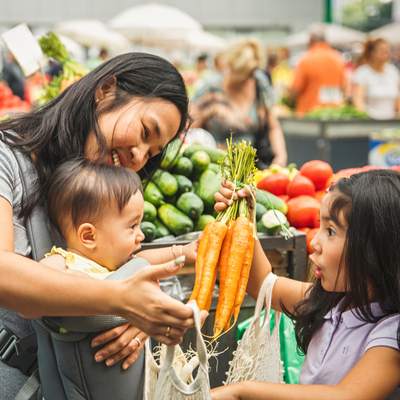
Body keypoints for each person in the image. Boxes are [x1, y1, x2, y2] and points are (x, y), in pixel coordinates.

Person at [0, 52, 202, 400]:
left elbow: (121, 262)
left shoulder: (101, 190)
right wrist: (120, 300)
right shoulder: (7, 158)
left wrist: (138, 319)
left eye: (152, 153)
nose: (139, 157)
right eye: (144, 132)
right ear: (106, 90)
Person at [212, 169, 400, 399]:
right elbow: (263, 284)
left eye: (330, 231)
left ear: (375, 250)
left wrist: (242, 390)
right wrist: (244, 218)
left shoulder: (392, 332)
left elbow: (346, 396)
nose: (314, 241)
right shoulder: (330, 302)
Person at [26, 159, 197, 399]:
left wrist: (181, 252)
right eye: (132, 225)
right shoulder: (63, 262)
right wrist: (75, 281)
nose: (141, 235)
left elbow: (146, 259)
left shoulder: (122, 264)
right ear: (89, 236)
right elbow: (39, 284)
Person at [190, 38, 287, 169]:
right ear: (230, 65)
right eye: (241, 72)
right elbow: (188, 130)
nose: (246, 78)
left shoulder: (259, 83)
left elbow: (273, 127)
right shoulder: (211, 89)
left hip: (252, 171)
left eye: (251, 72)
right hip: (215, 171)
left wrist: (280, 156)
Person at [288, 26, 346, 115]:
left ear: (311, 40)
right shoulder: (338, 59)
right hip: (334, 113)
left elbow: (295, 90)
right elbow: (344, 87)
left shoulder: (306, 59)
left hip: (309, 114)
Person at [352, 38, 400, 120]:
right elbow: (358, 100)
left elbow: (397, 99)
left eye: (387, 51)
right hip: (371, 121)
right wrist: (365, 117)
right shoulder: (362, 72)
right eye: (382, 52)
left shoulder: (393, 71)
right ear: (372, 53)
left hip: (391, 121)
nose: (386, 55)